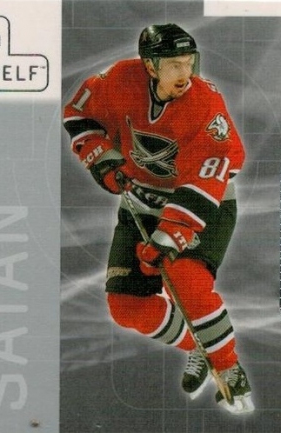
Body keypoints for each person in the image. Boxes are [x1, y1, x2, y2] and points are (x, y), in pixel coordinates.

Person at [63, 23, 254, 414]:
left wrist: (170, 236)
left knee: (185, 278)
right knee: (125, 306)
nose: (186, 73)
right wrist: (102, 157)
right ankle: (199, 345)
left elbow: (211, 174)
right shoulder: (120, 79)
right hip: (141, 204)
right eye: (174, 65)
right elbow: (79, 113)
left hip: (205, 204)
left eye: (189, 62)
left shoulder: (205, 102)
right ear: (150, 65)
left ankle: (228, 367)